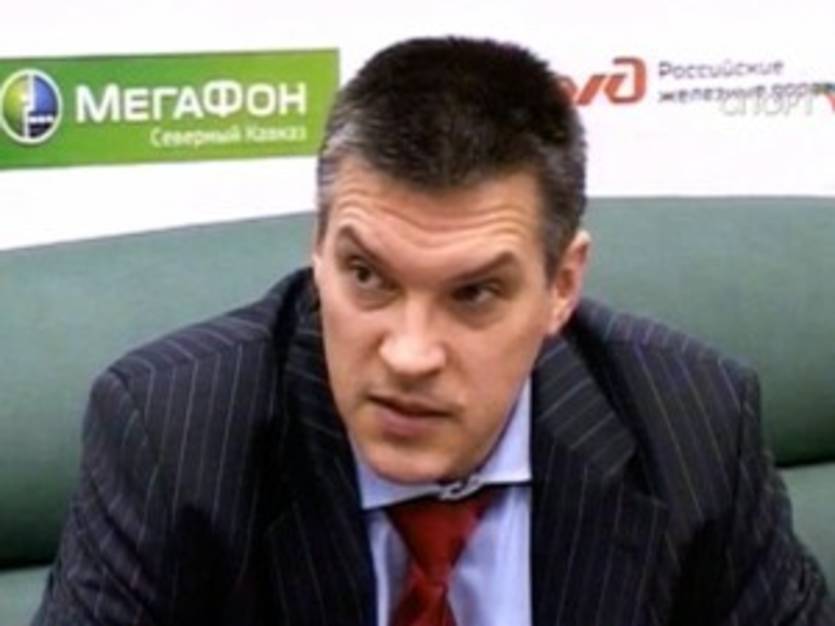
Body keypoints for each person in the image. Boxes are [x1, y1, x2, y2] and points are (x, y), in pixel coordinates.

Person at [33, 37, 832, 626]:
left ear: (561, 286)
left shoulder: (692, 423)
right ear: (318, 251)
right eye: (367, 276)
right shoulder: (172, 433)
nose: (408, 354)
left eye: (474, 294)